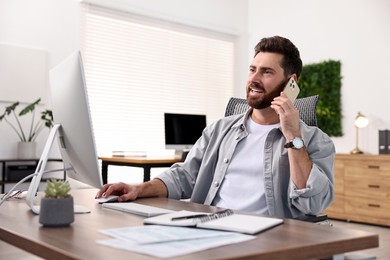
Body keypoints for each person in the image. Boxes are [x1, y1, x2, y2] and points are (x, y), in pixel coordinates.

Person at [96, 35, 335, 219]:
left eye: (267, 72)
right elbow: (184, 176)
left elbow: (312, 204)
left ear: (291, 82)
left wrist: (292, 135)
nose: (254, 79)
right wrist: (138, 189)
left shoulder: (315, 140)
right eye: (252, 69)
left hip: (268, 237)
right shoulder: (220, 130)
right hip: (207, 225)